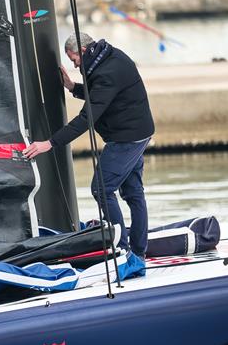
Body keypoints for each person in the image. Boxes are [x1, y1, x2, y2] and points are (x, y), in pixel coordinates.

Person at [23, 33, 154, 276]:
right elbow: (103, 96)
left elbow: (87, 117)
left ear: (83, 50)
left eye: (73, 59)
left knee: (102, 189)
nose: (74, 65)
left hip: (126, 138)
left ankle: (125, 253)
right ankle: (138, 255)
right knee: (134, 193)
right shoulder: (108, 57)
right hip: (138, 133)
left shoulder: (106, 72)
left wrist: (49, 144)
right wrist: (73, 87)